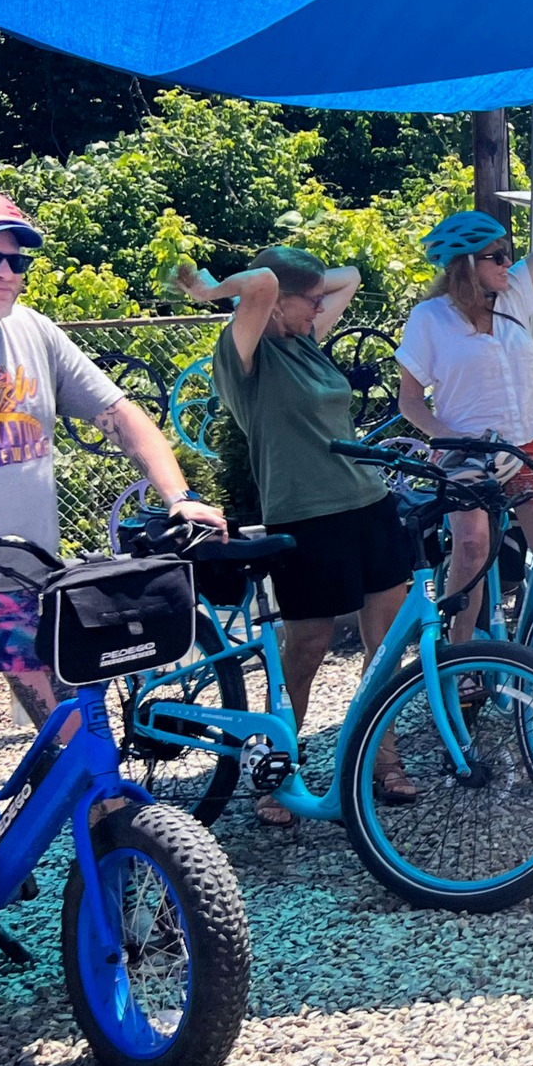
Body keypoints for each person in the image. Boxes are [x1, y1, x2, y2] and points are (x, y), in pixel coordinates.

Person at [0, 187, 225, 999]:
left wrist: (177, 495)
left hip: (19, 575)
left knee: (79, 717)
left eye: (18, 258)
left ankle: (114, 860)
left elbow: (121, 415)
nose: (7, 272)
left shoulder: (34, 333)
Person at [177, 247, 420, 822]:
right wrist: (212, 292)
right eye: (308, 302)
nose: (320, 310)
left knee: (384, 644)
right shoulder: (244, 357)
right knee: (306, 650)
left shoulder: (302, 337)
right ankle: (275, 772)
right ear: (277, 305)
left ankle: (381, 760)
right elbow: (261, 281)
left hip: (370, 504)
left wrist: (302, 289)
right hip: (306, 517)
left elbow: (352, 274)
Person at [397, 131, 533, 644]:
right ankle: (459, 657)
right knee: (473, 545)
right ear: (466, 265)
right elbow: (410, 400)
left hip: (527, 443)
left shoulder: (516, 293)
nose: (506, 262)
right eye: (496, 256)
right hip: (466, 452)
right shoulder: (430, 318)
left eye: (506, 254)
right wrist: (452, 438)